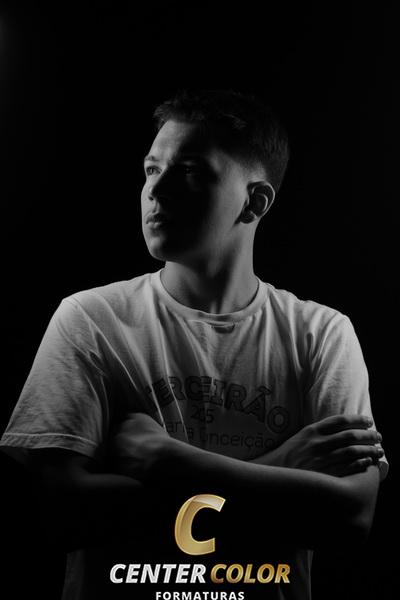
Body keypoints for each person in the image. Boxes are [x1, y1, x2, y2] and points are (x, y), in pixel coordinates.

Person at [0, 90, 388, 600]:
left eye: (188, 171)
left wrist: (171, 463)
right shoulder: (91, 320)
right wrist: (280, 468)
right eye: (151, 169)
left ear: (254, 202)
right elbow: (63, 516)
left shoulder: (321, 334)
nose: (155, 191)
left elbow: (351, 517)